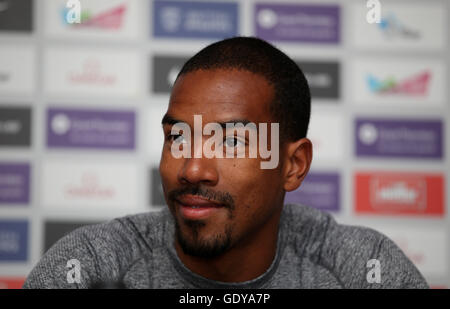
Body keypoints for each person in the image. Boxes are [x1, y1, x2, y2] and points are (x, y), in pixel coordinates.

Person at [23, 37, 428, 289]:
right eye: (177, 137)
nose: (192, 169)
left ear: (294, 165)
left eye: (232, 140)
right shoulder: (93, 267)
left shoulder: (361, 271)